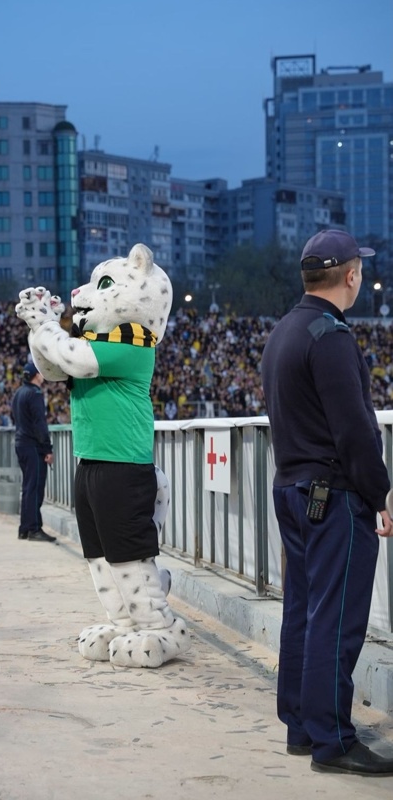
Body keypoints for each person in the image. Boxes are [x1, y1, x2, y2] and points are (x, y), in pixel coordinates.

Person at [261, 229, 393, 777]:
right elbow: (356, 431)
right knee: (336, 621)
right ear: (351, 275)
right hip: (332, 495)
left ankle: (301, 724)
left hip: (291, 489)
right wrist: (380, 492)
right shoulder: (331, 336)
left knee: (303, 612)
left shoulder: (283, 331)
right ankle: (332, 740)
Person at [11, 362, 56, 542]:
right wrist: (47, 448)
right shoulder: (35, 394)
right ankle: (34, 529)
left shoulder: (19, 393)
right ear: (36, 375)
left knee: (28, 488)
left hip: (22, 443)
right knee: (35, 488)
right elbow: (39, 423)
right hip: (33, 446)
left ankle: (24, 528)